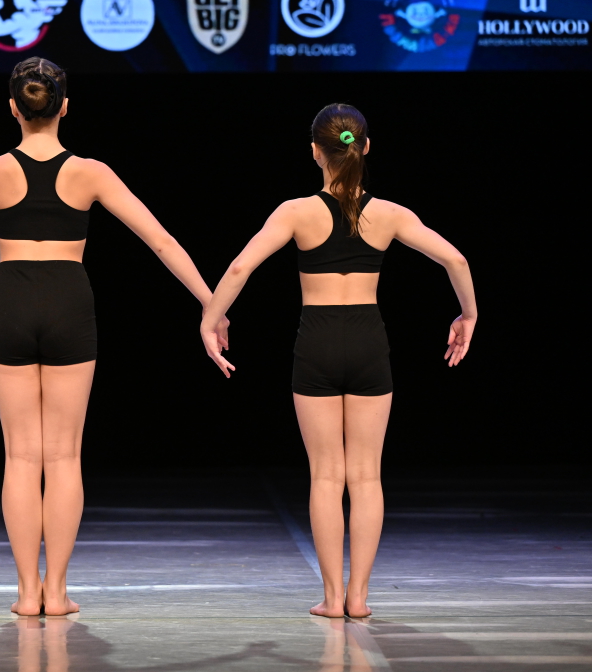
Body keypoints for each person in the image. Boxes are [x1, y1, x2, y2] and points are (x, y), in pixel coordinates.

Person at [0, 58, 225, 616]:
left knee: (19, 456)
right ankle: (55, 593)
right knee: (62, 456)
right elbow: (160, 240)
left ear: (13, 108)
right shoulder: (91, 172)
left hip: (10, 303)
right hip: (68, 304)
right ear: (65, 107)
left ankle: (25, 592)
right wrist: (211, 304)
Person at [199, 103, 476, 618]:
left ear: (315, 152)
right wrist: (469, 315)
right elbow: (455, 258)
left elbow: (239, 268)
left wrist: (210, 321)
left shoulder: (295, 212)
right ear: (365, 147)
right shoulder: (389, 214)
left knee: (326, 476)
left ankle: (331, 599)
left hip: (318, 343)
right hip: (369, 342)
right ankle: (359, 598)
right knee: (366, 476)